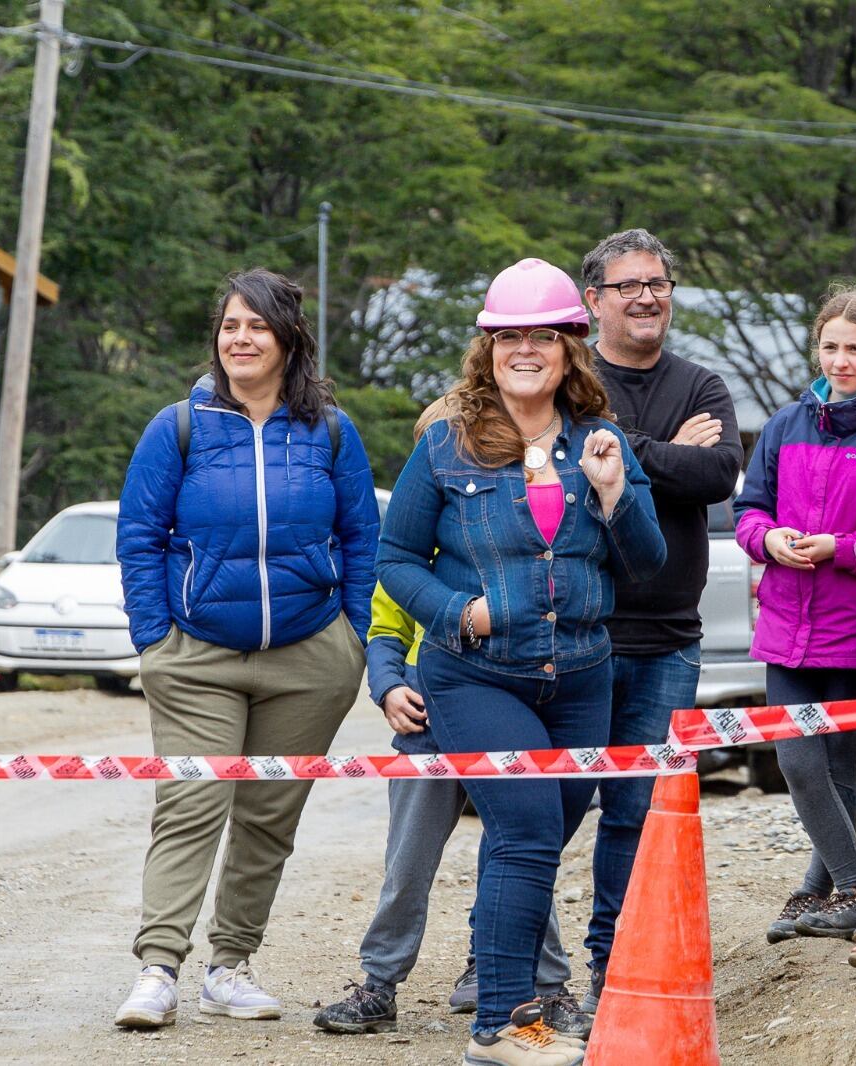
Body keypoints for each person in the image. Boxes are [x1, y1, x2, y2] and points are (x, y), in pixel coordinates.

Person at [377, 258, 665, 1066]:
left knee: (534, 835)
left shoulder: (599, 443)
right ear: (489, 348)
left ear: (573, 346)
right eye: (510, 337)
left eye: (543, 335)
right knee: (529, 826)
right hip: (475, 674)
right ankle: (503, 1024)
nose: (526, 349)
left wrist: (616, 493)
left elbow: (646, 562)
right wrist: (455, 612)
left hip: (581, 678)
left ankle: (496, 978)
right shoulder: (446, 445)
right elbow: (395, 558)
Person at [114, 268, 379, 1028]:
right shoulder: (180, 426)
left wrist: (352, 640)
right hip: (196, 654)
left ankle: (230, 965)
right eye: (230, 326)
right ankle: (159, 967)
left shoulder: (330, 429)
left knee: (269, 817)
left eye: (256, 326)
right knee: (191, 805)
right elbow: (139, 537)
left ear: (288, 337)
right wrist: (154, 640)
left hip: (309, 656)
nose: (240, 338)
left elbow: (363, 537)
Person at [312, 399, 580, 1040]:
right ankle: (378, 982)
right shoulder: (407, 551)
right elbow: (382, 630)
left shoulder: (512, 538)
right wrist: (387, 688)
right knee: (408, 861)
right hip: (426, 728)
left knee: (518, 849)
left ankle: (535, 982)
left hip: (502, 717)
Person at [579, 228, 743, 1011]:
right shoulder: (575, 380)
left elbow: (717, 473)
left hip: (669, 639)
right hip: (575, 634)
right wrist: (661, 452)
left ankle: (613, 964)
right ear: (593, 301)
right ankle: (511, 969)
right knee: (542, 812)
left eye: (658, 283)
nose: (647, 297)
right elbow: (575, 452)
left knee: (637, 817)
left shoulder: (703, 384)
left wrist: (629, 453)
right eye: (628, 285)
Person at [734, 289, 856, 943]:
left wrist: (843, 550)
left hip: (853, 627)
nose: (841, 360)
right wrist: (767, 540)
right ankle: (847, 888)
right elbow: (749, 509)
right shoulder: (783, 424)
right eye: (830, 346)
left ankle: (819, 891)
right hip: (784, 623)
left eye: (855, 348)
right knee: (798, 762)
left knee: (834, 765)